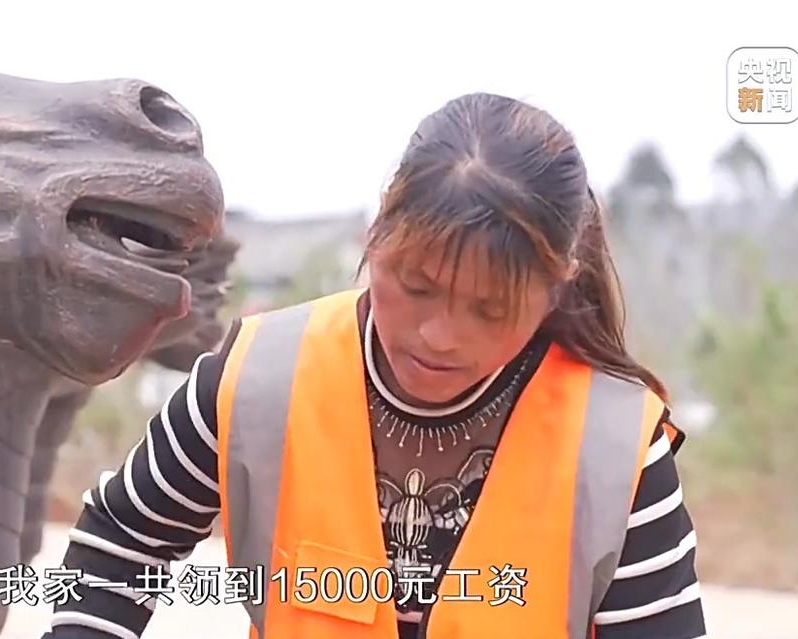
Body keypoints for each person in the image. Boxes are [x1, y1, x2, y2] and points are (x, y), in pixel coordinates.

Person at [41, 92, 706, 639]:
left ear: (557, 286)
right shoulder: (257, 381)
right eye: (417, 287)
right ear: (378, 230)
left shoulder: (614, 450)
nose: (440, 336)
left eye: (490, 308)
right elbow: (120, 541)